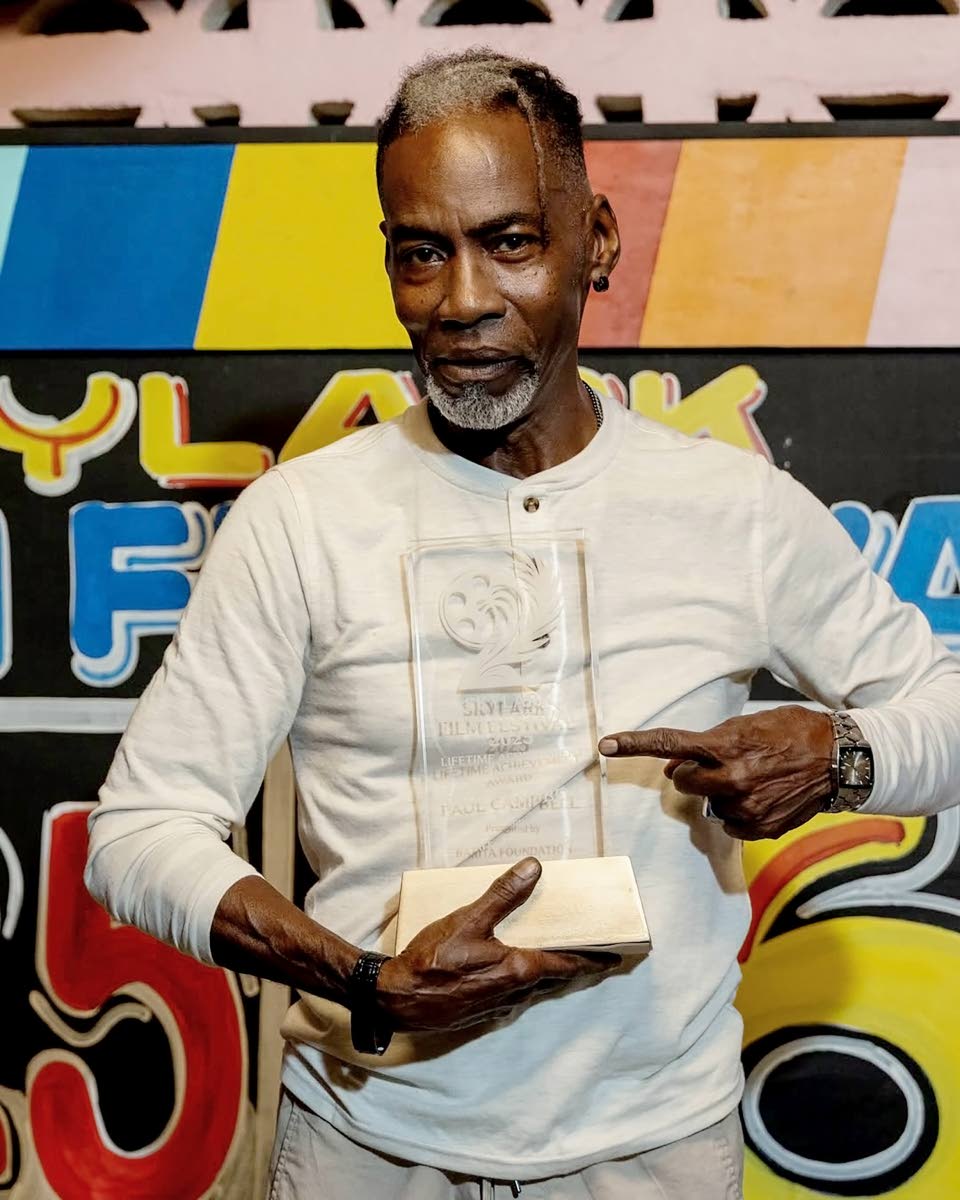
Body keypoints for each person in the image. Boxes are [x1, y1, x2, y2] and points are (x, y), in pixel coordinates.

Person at [85, 50, 960, 1200]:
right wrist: (361, 977)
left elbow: (941, 709)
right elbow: (139, 829)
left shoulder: (732, 511)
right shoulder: (300, 522)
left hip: (654, 1155)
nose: (462, 300)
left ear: (595, 240)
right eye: (421, 252)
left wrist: (839, 756)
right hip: (369, 1143)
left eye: (511, 242)